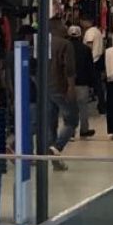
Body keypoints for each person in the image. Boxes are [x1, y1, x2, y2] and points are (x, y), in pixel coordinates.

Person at [48, 19, 79, 169]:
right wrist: (71, 87)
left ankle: (53, 154)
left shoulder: (42, 44)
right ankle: (57, 147)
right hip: (61, 87)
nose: (65, 27)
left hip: (46, 88)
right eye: (62, 25)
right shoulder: (66, 44)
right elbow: (69, 68)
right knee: (71, 120)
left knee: (51, 123)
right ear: (56, 27)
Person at [70, 25, 98, 138]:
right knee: (83, 108)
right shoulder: (86, 49)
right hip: (83, 83)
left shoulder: (65, 48)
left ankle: (70, 131)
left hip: (68, 83)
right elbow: (90, 68)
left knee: (70, 108)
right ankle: (84, 129)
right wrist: (92, 84)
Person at [82, 17, 106, 112]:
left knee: (96, 84)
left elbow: (89, 47)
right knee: (98, 84)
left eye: (83, 21)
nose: (82, 23)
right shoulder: (97, 31)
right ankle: (102, 104)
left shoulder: (90, 32)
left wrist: (85, 60)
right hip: (98, 59)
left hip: (93, 60)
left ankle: (101, 104)